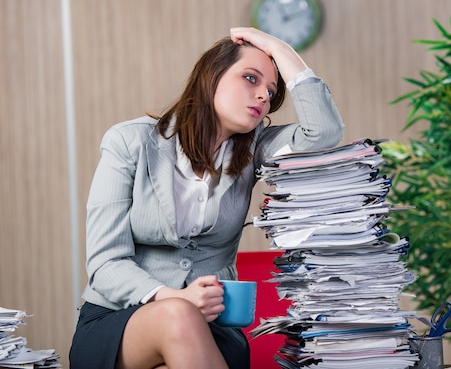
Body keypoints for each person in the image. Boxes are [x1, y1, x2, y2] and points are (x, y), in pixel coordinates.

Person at [69, 27, 344, 369]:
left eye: (271, 92)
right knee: (178, 315)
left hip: (213, 330)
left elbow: (324, 131)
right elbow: (105, 264)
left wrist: (277, 45)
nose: (263, 96)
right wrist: (177, 298)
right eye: (250, 78)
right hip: (119, 320)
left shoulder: (255, 149)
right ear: (211, 76)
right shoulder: (129, 142)